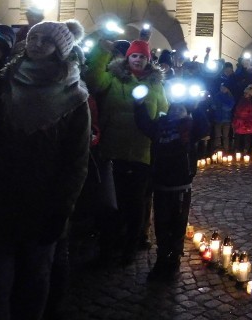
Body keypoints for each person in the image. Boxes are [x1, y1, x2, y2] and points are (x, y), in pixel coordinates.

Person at [0, 19, 90, 320]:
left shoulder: (74, 98)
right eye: (34, 38)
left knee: (34, 283)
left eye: (47, 40)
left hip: (43, 203)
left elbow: (76, 160)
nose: (37, 44)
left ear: (60, 49)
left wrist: (62, 209)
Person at [85, 38, 169, 265]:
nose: (138, 60)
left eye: (142, 56)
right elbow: (93, 81)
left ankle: (129, 248)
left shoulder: (155, 84)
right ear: (127, 57)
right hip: (114, 149)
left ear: (148, 59)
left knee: (135, 203)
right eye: (134, 56)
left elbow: (163, 109)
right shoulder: (113, 78)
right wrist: (100, 52)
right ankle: (107, 247)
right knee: (111, 203)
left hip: (141, 151)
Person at [134, 88, 209, 281]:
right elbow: (143, 124)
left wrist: (198, 106)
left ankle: (175, 255)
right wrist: (140, 104)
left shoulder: (190, 128)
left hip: (181, 185)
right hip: (161, 183)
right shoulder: (160, 126)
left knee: (178, 222)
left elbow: (204, 127)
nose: (177, 111)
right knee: (162, 221)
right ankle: (162, 256)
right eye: (173, 108)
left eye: (181, 108)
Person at [233, 84, 252, 153]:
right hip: (239, 123)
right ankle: (237, 151)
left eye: (247, 93)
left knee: (246, 139)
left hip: (247, 123)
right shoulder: (241, 100)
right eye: (245, 93)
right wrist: (235, 121)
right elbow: (237, 111)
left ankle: (245, 151)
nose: (245, 94)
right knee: (238, 138)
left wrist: (250, 125)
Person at [209, 83, 235, 152]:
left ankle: (226, 148)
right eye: (221, 88)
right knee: (217, 135)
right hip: (218, 118)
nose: (222, 89)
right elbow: (213, 105)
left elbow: (229, 108)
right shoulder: (217, 96)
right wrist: (217, 107)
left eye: (224, 88)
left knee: (225, 136)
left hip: (226, 119)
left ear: (227, 89)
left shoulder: (230, 97)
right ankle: (217, 148)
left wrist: (220, 106)